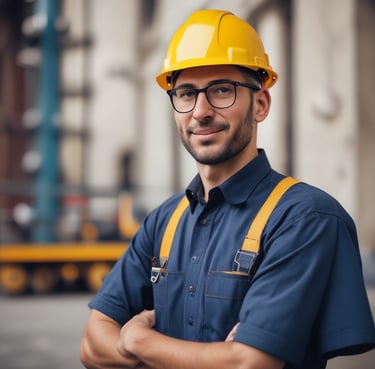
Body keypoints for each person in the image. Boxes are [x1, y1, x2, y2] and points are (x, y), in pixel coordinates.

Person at [80, 9, 375, 369]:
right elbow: (92, 346)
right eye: (186, 93)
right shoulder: (163, 222)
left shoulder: (304, 218)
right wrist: (205, 356)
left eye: (222, 90)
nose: (200, 111)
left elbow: (248, 363)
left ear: (260, 104)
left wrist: (137, 340)